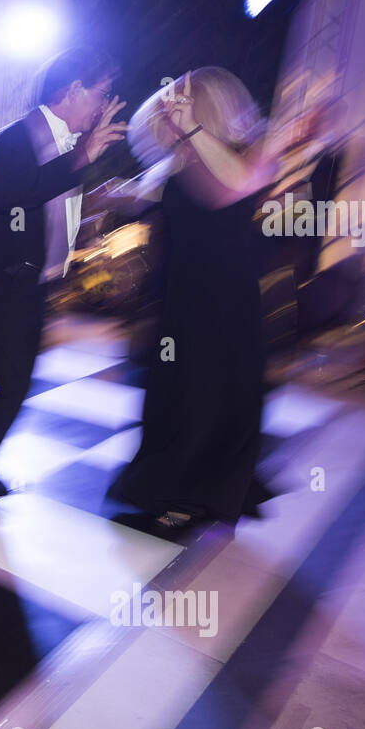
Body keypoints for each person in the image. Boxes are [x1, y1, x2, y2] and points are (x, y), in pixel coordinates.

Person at [103, 68, 277, 540]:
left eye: (183, 101)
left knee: (204, 400)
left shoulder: (251, 151)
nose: (171, 108)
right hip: (179, 302)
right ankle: (174, 490)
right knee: (172, 398)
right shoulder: (182, 161)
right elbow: (135, 195)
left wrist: (193, 132)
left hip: (222, 307)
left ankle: (187, 501)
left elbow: (233, 188)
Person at [0, 47, 127, 510]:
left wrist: (87, 148)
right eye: (99, 93)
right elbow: (17, 197)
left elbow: (58, 202)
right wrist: (85, 153)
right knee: (15, 384)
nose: (101, 103)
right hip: (11, 284)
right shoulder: (18, 139)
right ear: (71, 90)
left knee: (13, 381)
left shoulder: (62, 144)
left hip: (33, 284)